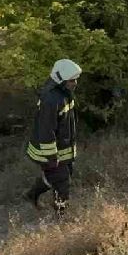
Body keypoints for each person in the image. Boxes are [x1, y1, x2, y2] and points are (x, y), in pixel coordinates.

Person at [25, 59, 82, 218]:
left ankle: (32, 194)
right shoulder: (51, 100)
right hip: (50, 151)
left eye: (75, 79)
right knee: (62, 182)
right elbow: (46, 131)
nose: (75, 83)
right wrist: (51, 158)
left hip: (63, 148)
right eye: (72, 80)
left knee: (58, 177)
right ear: (61, 80)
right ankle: (61, 217)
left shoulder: (64, 93)